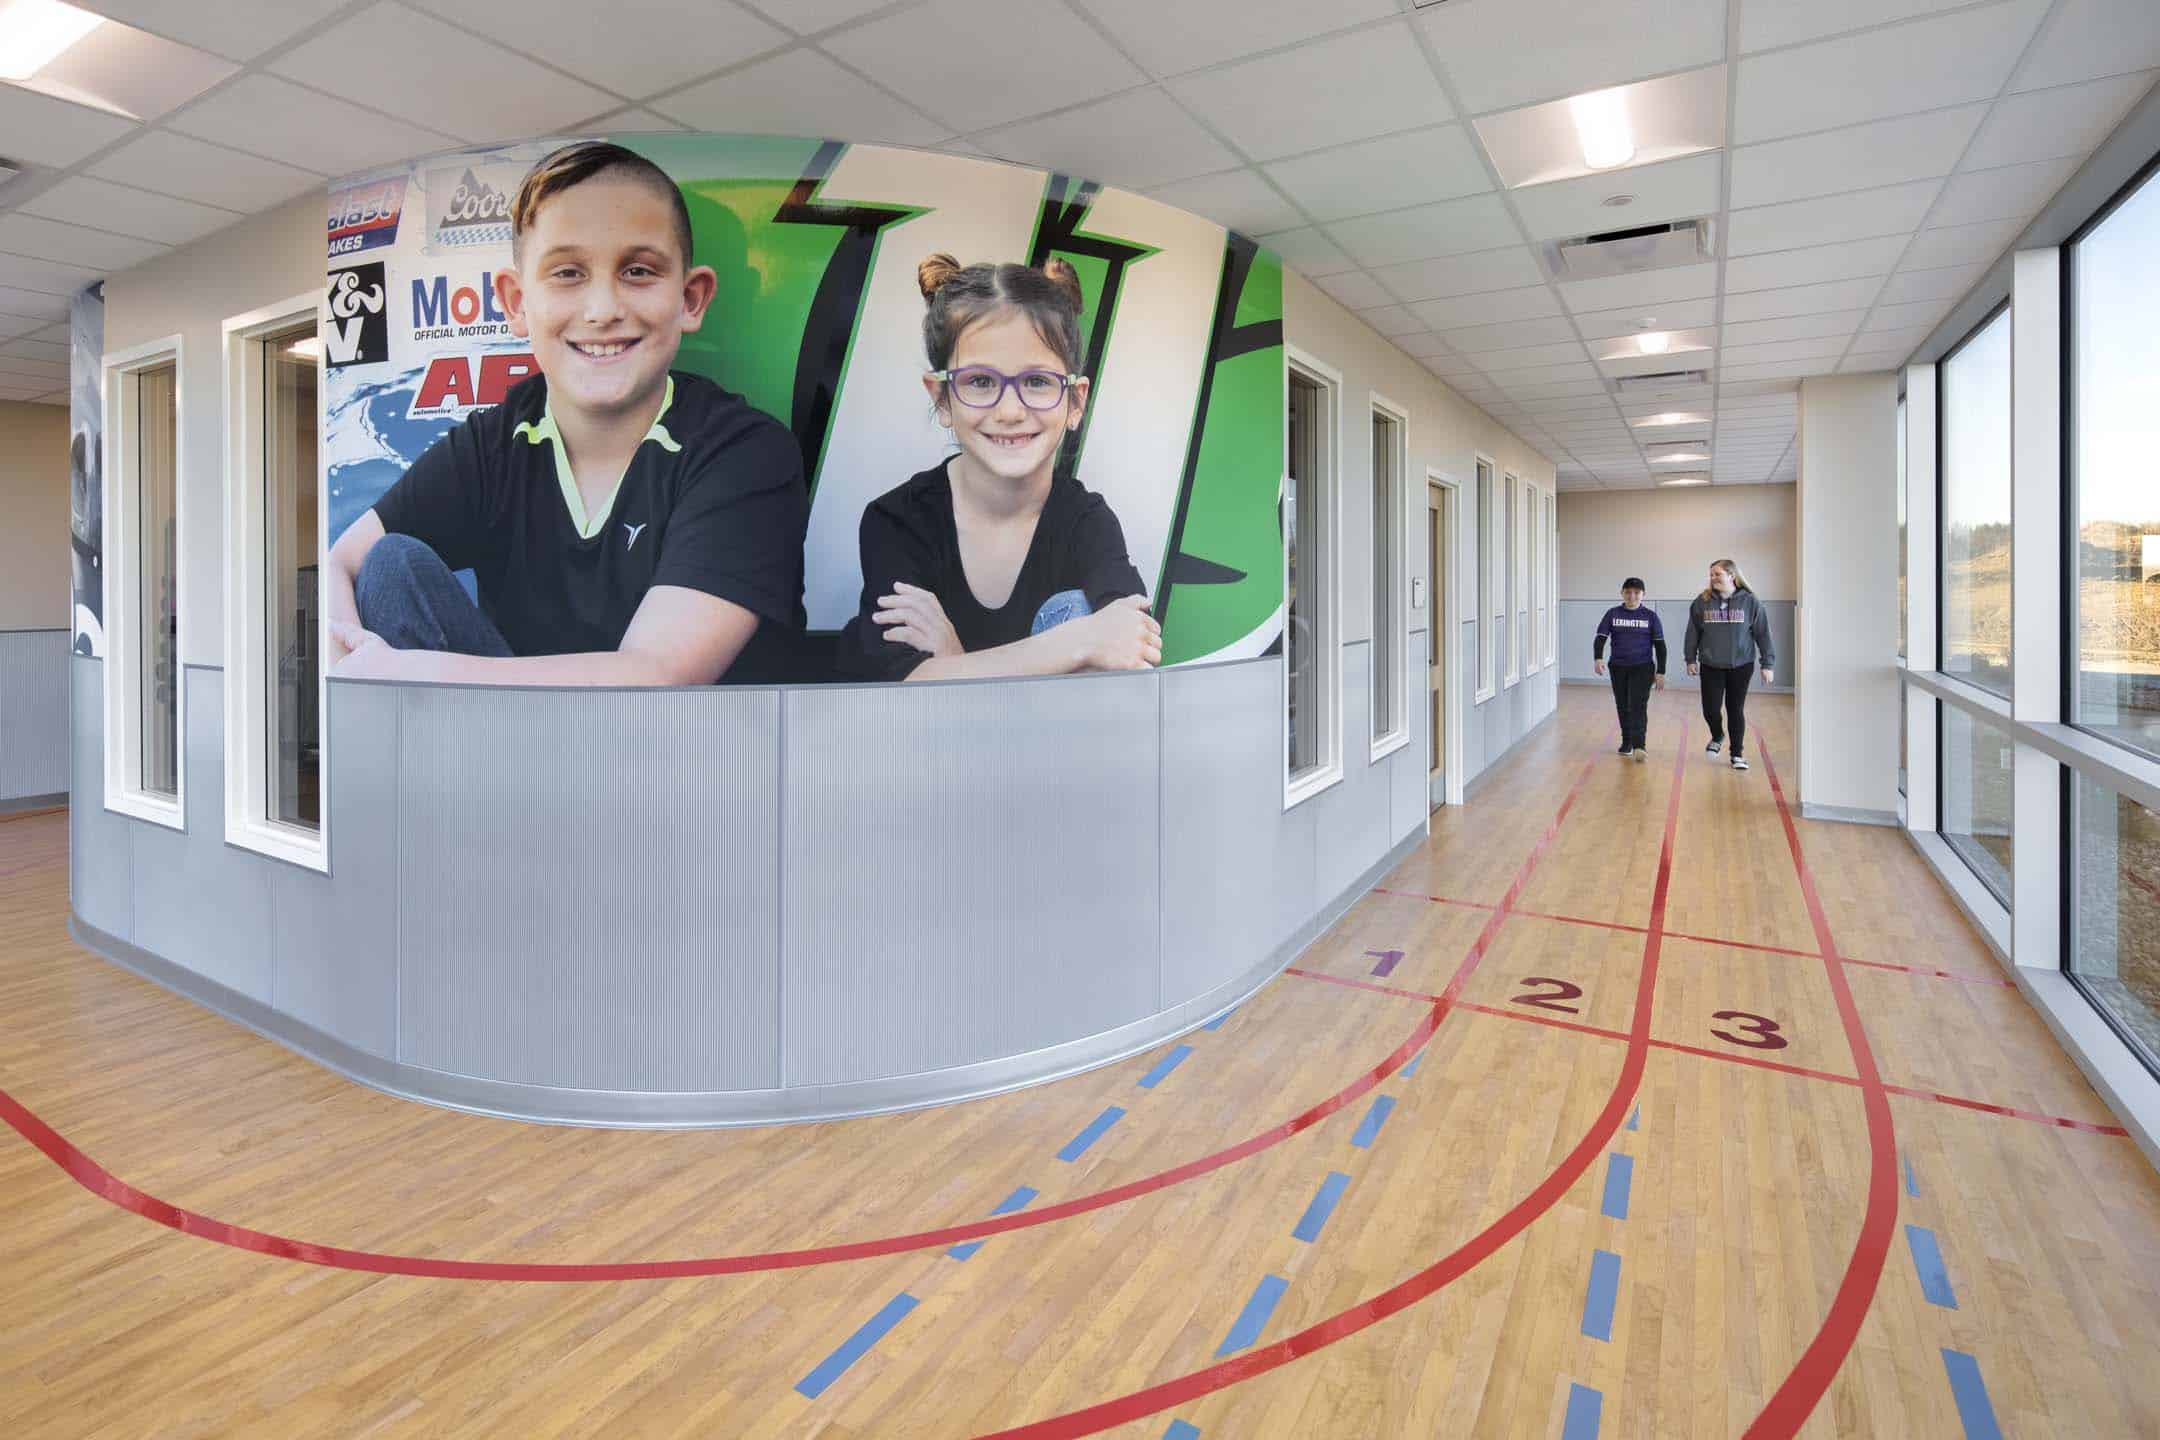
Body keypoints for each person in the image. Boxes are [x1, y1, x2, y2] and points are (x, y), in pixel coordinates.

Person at [324, 140, 807, 685]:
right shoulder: (497, 441)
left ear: (690, 299)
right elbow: (343, 563)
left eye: (639, 271)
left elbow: (657, 676)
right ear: (515, 303)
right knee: (391, 565)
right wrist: (349, 666)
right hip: (522, 755)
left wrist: (406, 672)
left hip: (691, 762)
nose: (602, 310)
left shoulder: (745, 452)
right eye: (568, 273)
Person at [837, 252, 1158, 682]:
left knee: (1073, 612)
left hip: (1055, 749)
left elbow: (1131, 643)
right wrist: (1078, 642)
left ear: (1075, 402)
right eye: (981, 382)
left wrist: (953, 661)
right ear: (942, 399)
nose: (1009, 411)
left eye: (1037, 381)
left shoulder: (1086, 521)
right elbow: (909, 687)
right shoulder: (897, 521)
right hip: (929, 749)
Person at [1684, 558, 1776, 772]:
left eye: (1717, 574)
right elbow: (1692, 633)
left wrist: (1767, 664)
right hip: (1711, 664)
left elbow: (1763, 634)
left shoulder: (1751, 601)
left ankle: (1737, 754)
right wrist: (1690, 658)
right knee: (1710, 709)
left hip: (1741, 665)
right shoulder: (1702, 601)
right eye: (1711, 574)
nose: (1713, 578)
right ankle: (1717, 735)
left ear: (1731, 576)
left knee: (1735, 709)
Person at [1593, 577, 1665, 761]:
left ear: (1643, 595)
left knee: (1638, 706)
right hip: (1618, 667)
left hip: (1643, 667)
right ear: (1622, 593)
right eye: (1628, 592)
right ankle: (1627, 742)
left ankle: (1640, 745)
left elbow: (1660, 646)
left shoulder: (1650, 616)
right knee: (1623, 704)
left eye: (1636, 593)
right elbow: (1600, 638)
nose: (1632, 596)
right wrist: (1598, 658)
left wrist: (1661, 672)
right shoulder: (1613, 614)